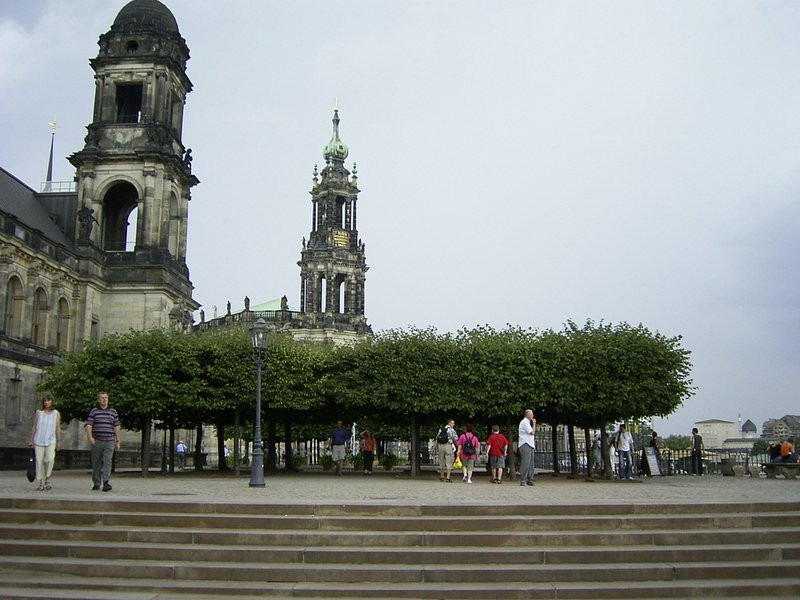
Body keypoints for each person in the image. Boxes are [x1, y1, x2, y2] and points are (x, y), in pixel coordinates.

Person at [86, 391, 121, 491]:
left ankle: (106, 482)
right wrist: (90, 437)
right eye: (102, 398)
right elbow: (89, 425)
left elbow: (116, 426)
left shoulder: (113, 412)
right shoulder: (94, 411)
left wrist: (118, 441)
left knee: (107, 462)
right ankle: (97, 482)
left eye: (106, 398)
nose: (104, 399)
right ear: (98, 400)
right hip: (97, 440)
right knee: (96, 463)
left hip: (109, 440)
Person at [28, 394, 61, 491]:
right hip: (39, 439)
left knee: (50, 459)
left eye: (48, 400)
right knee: (39, 461)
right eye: (45, 401)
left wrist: (59, 441)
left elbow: (58, 428)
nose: (46, 402)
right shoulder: (39, 413)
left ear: (52, 401)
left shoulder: (56, 413)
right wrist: (31, 439)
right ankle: (41, 482)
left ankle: (47, 478)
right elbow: (34, 426)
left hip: (50, 440)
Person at [518, 409, 536, 486]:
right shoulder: (525, 422)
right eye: (531, 414)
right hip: (525, 443)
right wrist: (534, 423)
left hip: (530, 444)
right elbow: (532, 432)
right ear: (527, 415)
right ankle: (523, 479)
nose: (532, 415)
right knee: (526, 462)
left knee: (531, 463)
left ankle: (530, 479)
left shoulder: (528, 422)